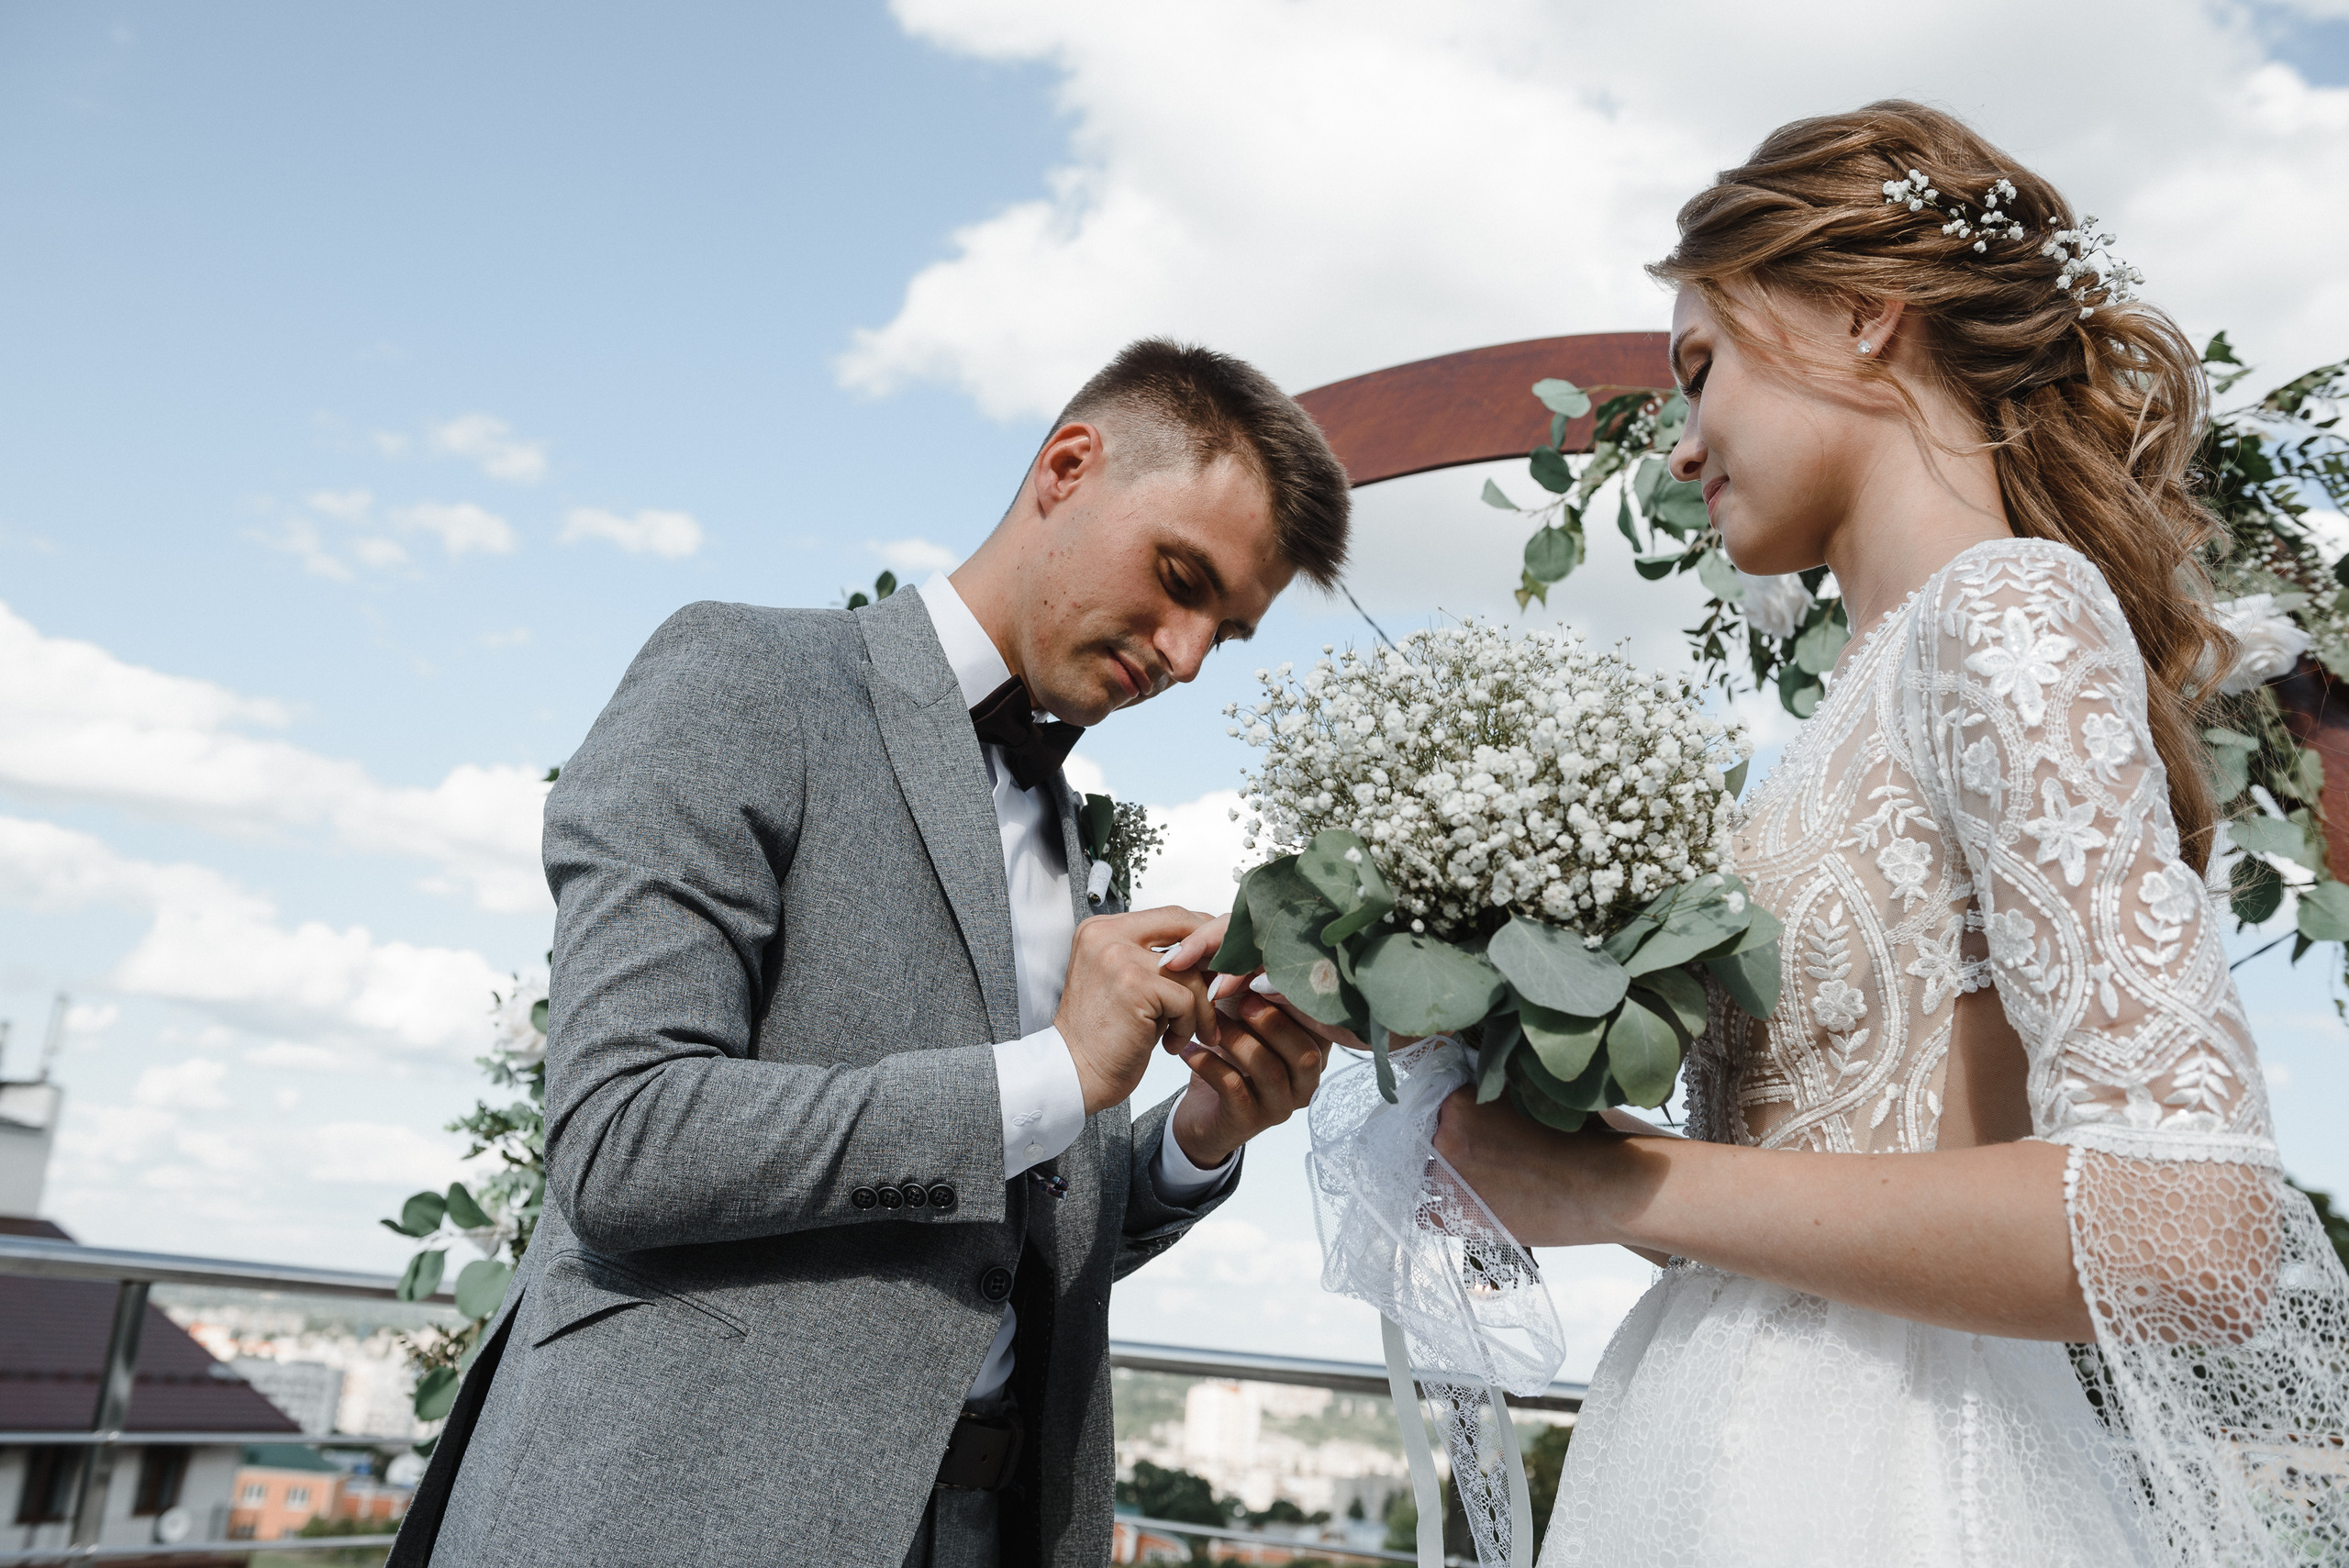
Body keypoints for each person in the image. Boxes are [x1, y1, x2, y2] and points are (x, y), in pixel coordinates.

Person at [1428, 103, 2349, 1565]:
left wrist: (1623, 1188)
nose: (1678, 449)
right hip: (1714, 1456)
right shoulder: (1879, 687)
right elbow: (1847, 1163)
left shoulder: (2011, 613)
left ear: (1863, 317)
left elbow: (2194, 1230)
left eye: (1698, 368)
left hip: (1887, 1487)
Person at [385, 339, 1353, 1568]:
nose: (1186, 654)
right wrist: (1058, 1072)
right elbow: (623, 1139)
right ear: (1067, 466)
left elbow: (991, 1231)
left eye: (1227, 629)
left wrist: (1197, 1131)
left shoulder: (1064, 821)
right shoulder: (747, 680)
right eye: (1178, 577)